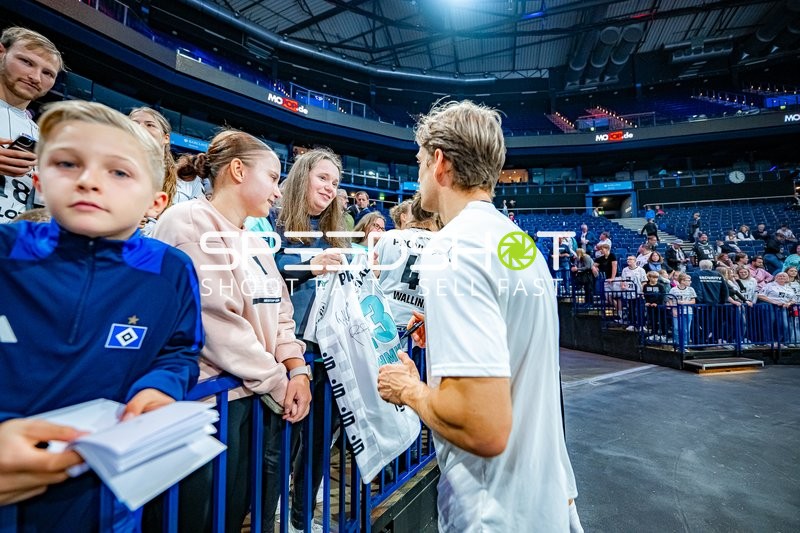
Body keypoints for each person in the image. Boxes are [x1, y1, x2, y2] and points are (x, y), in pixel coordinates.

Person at [376, 100, 580, 532]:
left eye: (418, 164)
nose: (417, 177)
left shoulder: (452, 249)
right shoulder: (519, 244)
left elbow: (482, 426)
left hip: (493, 510)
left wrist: (410, 390)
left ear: (439, 163)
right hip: (543, 496)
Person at [0, 100, 203, 529]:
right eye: (68, 163)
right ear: (39, 178)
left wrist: (160, 387)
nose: (89, 181)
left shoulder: (171, 269)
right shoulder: (6, 251)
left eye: (119, 171)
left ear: (156, 200)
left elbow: (179, 349)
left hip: (103, 492)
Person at [153, 130, 311, 533]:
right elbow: (216, 323)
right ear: (238, 170)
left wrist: (297, 370)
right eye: (273, 178)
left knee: (230, 510)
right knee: (198, 518)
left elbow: (281, 312)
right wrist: (279, 380)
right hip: (205, 403)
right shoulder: (188, 221)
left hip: (247, 396)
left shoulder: (254, 239)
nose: (278, 192)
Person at [266, 148, 349, 533]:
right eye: (322, 178)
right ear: (302, 176)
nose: (330, 188)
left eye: (334, 182)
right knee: (281, 446)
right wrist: (310, 266)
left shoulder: (332, 231)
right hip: (288, 356)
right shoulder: (272, 220)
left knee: (317, 444)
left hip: (328, 354)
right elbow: (265, 273)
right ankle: (270, 519)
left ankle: (299, 520)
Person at [0, 27, 62, 222]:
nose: (35, 78)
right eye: (26, 62)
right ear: (1, 53)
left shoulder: (44, 140)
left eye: (48, 73)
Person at [375, 192, 441, 327]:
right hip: (422, 328)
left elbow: (370, 275)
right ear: (435, 216)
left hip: (386, 322)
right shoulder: (442, 245)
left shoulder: (390, 237)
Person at [129, 107, 178, 236]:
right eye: (134, 124)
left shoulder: (184, 182)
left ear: (166, 138)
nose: (141, 127)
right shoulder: (111, 170)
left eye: (150, 124)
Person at [669, 274, 696, 347]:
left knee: (686, 329)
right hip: (677, 311)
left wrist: (684, 302)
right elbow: (670, 300)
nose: (690, 282)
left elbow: (693, 301)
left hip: (688, 311)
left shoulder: (691, 289)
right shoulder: (673, 289)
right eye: (688, 280)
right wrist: (673, 310)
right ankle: (677, 344)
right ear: (682, 281)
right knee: (676, 328)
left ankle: (685, 345)